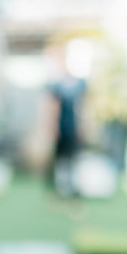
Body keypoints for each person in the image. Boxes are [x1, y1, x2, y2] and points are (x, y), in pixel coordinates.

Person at [45, 49, 87, 198]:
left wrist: (83, 124)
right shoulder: (56, 84)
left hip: (73, 124)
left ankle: (74, 184)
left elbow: (83, 105)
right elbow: (53, 106)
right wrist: (53, 125)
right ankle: (61, 185)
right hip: (62, 125)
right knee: (61, 155)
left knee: (74, 154)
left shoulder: (81, 83)